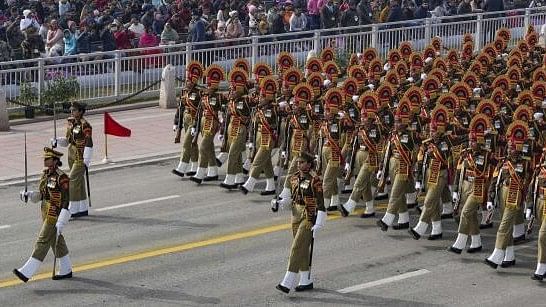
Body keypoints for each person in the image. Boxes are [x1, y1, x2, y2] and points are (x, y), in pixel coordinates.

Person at [14, 147, 73, 283]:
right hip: (45, 211)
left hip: (54, 213)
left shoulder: (61, 177)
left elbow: (67, 200)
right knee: (56, 242)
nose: (45, 161)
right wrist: (30, 195)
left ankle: (27, 272)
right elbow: (43, 195)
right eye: (45, 158)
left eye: (48, 159)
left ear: (55, 160)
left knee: (42, 240)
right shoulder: (46, 174)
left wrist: (61, 221)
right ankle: (66, 269)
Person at [274, 151, 326, 293]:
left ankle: (287, 282)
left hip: (308, 217)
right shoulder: (294, 178)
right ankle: (306, 280)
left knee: (296, 248)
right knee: (302, 249)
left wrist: (319, 223)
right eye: (298, 162)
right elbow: (291, 199)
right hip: (295, 214)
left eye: (302, 162)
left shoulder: (315, 180)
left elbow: (321, 204)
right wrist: (280, 203)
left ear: (309, 164)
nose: (298, 164)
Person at [485, 121, 533, 269]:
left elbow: (529, 184)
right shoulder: (503, 162)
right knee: (507, 226)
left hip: (515, 196)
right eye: (508, 147)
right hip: (502, 195)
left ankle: (497, 254)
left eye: (512, 147)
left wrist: (529, 204)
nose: (508, 150)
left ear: (518, 148)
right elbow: (494, 180)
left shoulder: (525, 164)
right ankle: (510, 256)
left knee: (504, 226)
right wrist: (490, 198)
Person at [51, 102, 93, 217]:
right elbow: (68, 140)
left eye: (74, 110)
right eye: (71, 110)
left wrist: (87, 158)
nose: (71, 112)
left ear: (80, 111)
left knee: (73, 180)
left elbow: (89, 142)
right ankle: (82, 207)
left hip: (81, 155)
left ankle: (73, 208)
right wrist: (57, 141)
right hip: (71, 154)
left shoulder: (86, 125)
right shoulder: (70, 123)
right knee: (79, 182)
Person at [189, 65, 226, 184]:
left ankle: (200, 173)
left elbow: (227, 111)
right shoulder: (204, 96)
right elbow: (199, 112)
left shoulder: (219, 97)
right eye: (207, 85)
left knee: (203, 146)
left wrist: (222, 124)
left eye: (209, 85)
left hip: (212, 123)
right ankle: (213, 172)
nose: (207, 87)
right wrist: (195, 126)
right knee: (209, 147)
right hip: (204, 122)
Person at [172, 61, 203, 178]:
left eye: (189, 81)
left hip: (194, 120)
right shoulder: (184, 92)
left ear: (194, 82)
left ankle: (182, 167)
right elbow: (180, 108)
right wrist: (176, 123)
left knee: (186, 143)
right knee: (192, 145)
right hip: (185, 119)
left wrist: (196, 126)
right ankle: (195, 166)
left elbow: (200, 111)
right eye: (186, 80)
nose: (187, 82)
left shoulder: (199, 93)